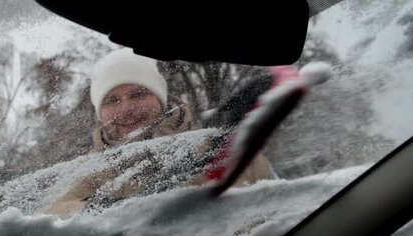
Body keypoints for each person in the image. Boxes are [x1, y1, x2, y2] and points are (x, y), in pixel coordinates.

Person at [42, 48, 274, 218]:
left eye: (139, 94)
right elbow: (47, 218)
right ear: (99, 113)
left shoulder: (225, 148)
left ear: (161, 99)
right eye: (112, 100)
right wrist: (115, 208)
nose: (126, 108)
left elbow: (277, 216)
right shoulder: (88, 172)